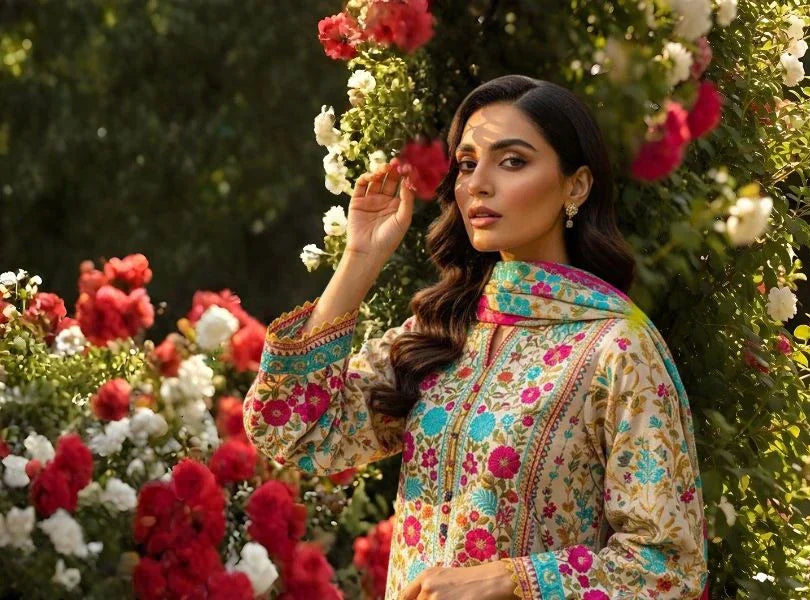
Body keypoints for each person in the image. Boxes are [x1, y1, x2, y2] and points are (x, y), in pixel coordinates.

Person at [245, 75, 706, 599]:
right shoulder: (443, 333)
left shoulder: (616, 349)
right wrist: (360, 259)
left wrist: (510, 580)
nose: (478, 184)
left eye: (512, 162)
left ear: (575, 186)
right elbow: (293, 431)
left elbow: (667, 568)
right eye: (467, 164)